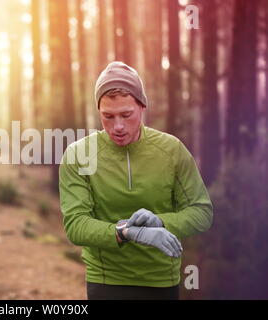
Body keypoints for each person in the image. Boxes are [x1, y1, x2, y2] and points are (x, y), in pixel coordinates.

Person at [58, 61, 213, 300]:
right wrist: (128, 232)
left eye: (126, 115)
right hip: (106, 280)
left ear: (142, 107)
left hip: (161, 282)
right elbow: (76, 225)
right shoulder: (79, 155)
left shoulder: (172, 150)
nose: (117, 126)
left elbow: (202, 213)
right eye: (107, 116)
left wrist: (160, 222)